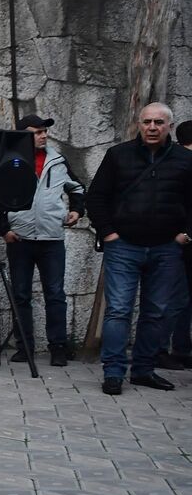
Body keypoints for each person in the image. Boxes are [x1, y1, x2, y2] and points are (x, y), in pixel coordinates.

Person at [86, 102, 192, 395]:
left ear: (169, 126)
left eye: (159, 122)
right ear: (139, 124)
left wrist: (186, 235)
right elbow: (96, 197)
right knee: (118, 311)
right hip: (124, 247)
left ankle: (143, 370)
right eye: (147, 122)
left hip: (167, 248)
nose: (152, 127)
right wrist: (108, 234)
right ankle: (113, 373)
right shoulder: (118, 155)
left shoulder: (185, 160)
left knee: (156, 312)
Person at [0, 113, 85, 367]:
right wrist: (3, 229)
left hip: (52, 238)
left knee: (55, 294)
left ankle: (58, 348)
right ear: (23, 136)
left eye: (44, 131)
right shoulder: (9, 160)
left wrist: (77, 209)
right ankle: (24, 347)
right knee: (20, 294)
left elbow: (76, 187)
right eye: (37, 132)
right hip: (20, 238)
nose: (43, 135)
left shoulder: (57, 160)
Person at [161, 120, 192, 367]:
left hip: (182, 239)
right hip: (176, 241)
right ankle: (159, 350)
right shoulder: (179, 164)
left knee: (182, 299)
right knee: (174, 298)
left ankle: (181, 349)